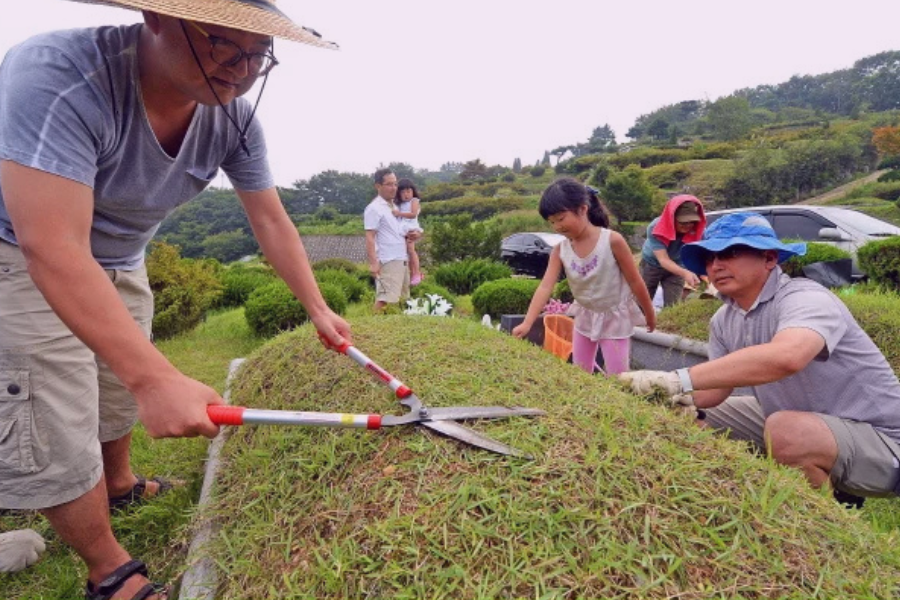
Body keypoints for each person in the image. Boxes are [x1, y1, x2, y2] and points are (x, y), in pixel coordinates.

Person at [0, 1, 351, 598]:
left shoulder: (234, 118)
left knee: (114, 387)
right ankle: (107, 568)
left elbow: (269, 219)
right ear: (156, 18)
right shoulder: (59, 74)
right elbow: (52, 245)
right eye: (223, 46)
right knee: (55, 403)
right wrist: (155, 380)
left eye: (257, 55)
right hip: (19, 250)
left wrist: (317, 307)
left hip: (121, 255)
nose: (240, 70)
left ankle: (119, 483)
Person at [619, 212, 900, 503]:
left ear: (769, 258)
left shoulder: (805, 297)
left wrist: (678, 379)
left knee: (786, 431)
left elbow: (788, 356)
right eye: (709, 257)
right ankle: (731, 498)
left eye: (732, 252)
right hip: (796, 415)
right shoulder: (724, 320)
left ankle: (833, 528)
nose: (717, 265)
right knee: (683, 413)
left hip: (882, 439)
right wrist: (659, 392)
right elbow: (716, 390)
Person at [512, 178, 656, 375]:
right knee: (580, 373)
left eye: (561, 219)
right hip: (585, 314)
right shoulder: (560, 250)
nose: (557, 227)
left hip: (614, 316)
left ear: (582, 209)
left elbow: (635, 281)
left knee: (619, 376)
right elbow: (545, 287)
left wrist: (649, 313)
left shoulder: (612, 240)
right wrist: (528, 322)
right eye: (552, 222)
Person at [364, 168, 422, 311]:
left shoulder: (396, 206)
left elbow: (403, 230)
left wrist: (415, 234)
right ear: (378, 186)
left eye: (395, 184)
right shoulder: (374, 208)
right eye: (389, 184)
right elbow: (370, 236)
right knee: (385, 300)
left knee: (403, 301)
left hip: (402, 258)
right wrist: (373, 263)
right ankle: (370, 327)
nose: (394, 188)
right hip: (388, 259)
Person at [639, 195, 706, 307]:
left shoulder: (698, 229)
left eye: (691, 222)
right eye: (683, 222)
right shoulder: (655, 227)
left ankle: (666, 323)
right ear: (672, 218)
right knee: (642, 301)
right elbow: (663, 260)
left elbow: (700, 252)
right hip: (651, 265)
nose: (688, 226)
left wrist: (703, 273)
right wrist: (685, 273)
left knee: (674, 304)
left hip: (677, 265)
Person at [393, 178, 424, 285]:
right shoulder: (399, 204)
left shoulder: (414, 201)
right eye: (403, 192)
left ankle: (417, 273)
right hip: (402, 228)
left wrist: (399, 214)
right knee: (406, 252)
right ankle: (412, 274)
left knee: (411, 250)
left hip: (410, 227)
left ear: (412, 191)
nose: (406, 194)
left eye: (408, 191)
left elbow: (413, 214)